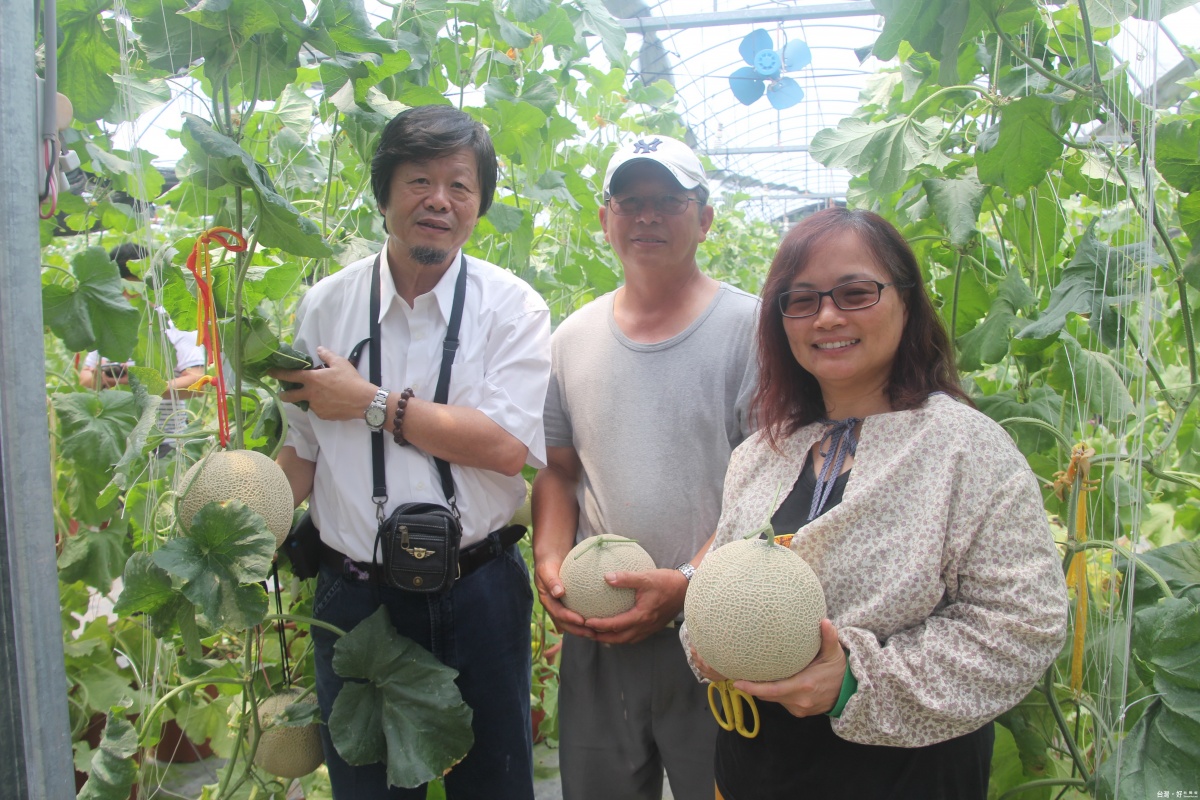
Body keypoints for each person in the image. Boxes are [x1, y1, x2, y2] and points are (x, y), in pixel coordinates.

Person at [682, 207, 1069, 800]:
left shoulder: (966, 447)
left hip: (901, 780)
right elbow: (720, 579)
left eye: (856, 292)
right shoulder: (763, 451)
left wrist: (856, 682)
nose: (828, 316)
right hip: (752, 772)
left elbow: (1024, 626)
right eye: (802, 300)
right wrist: (708, 639)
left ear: (907, 301)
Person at [271, 105, 551, 799]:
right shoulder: (326, 306)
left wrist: (370, 403)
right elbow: (300, 450)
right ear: (385, 192)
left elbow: (506, 447)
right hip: (354, 596)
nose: (439, 200)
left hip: (478, 586)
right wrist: (245, 524)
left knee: (496, 783)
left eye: (460, 185)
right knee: (364, 786)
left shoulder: (511, 307)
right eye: (419, 180)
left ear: (479, 204)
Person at [532, 135, 758, 800]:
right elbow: (559, 471)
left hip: (721, 626)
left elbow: (770, 484)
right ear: (605, 219)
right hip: (601, 629)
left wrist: (689, 581)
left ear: (705, 218)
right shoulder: (570, 339)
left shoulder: (753, 329)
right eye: (630, 203)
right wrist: (549, 558)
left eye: (669, 202)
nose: (648, 217)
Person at [79, 243, 206, 449]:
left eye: (133, 289)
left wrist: (139, 382)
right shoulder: (107, 323)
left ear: (149, 284)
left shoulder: (175, 323)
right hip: (115, 439)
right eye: (120, 290)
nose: (127, 297)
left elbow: (198, 384)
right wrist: (100, 378)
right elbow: (84, 376)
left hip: (164, 440)